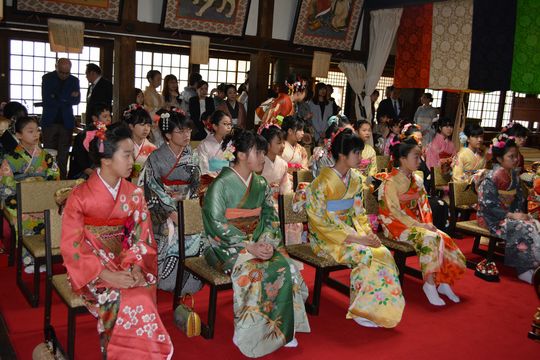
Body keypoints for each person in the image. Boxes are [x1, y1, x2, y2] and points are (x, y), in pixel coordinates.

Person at [61, 123, 173, 358]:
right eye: (126, 154)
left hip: (126, 262)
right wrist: (106, 274)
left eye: (133, 153)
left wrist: (134, 267)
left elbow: (143, 236)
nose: (133, 159)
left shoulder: (135, 193)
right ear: (106, 159)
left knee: (141, 290)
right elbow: (73, 246)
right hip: (92, 269)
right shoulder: (79, 197)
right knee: (128, 296)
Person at [202, 129, 310, 357]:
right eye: (258, 152)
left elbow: (270, 217)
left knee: (287, 267)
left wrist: (267, 241)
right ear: (240, 155)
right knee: (255, 271)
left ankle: (282, 326)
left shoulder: (260, 183)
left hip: (257, 241)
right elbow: (214, 223)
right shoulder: (219, 185)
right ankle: (248, 329)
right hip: (225, 247)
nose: (263, 157)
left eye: (263, 152)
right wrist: (247, 245)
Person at [306, 128, 405, 327]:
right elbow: (319, 221)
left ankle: (379, 309)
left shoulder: (357, 179)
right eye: (356, 153)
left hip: (352, 233)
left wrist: (368, 234)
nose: (361, 157)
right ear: (342, 155)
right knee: (366, 255)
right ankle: (361, 309)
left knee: (383, 253)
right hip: (327, 238)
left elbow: (359, 214)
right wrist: (357, 239)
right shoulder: (320, 183)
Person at [378, 138, 466, 306]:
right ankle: (430, 283)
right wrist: (420, 226)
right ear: (403, 159)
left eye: (420, 157)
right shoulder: (389, 182)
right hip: (395, 226)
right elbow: (392, 212)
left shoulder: (417, 180)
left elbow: (424, 206)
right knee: (429, 238)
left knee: (443, 237)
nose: (419, 161)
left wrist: (427, 224)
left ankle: (444, 281)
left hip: (416, 224)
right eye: (416, 157)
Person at [143, 109, 202, 293]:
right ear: (168, 134)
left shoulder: (192, 156)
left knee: (199, 234)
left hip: (186, 206)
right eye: (181, 131)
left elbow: (195, 185)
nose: (186, 135)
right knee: (168, 233)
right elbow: (152, 187)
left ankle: (191, 281)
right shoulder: (155, 157)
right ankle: (166, 280)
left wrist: (188, 208)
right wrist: (171, 211)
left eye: (188, 131)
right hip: (162, 210)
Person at [476, 133, 539, 284]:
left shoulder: (514, 175)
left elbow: (519, 199)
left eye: (516, 156)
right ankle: (523, 270)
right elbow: (488, 204)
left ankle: (535, 266)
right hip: (490, 218)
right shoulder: (490, 177)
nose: (516, 159)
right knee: (523, 228)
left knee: (535, 224)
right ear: (499, 159)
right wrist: (511, 215)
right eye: (511, 156)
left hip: (508, 215)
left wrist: (519, 214)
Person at [0, 116, 60, 271]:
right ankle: (29, 260)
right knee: (25, 217)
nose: (36, 134)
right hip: (20, 199)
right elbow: (6, 184)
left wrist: (45, 194)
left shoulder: (45, 156)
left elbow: (54, 177)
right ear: (19, 135)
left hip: (44, 198)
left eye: (37, 130)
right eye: (30, 131)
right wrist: (24, 196)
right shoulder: (10, 158)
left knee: (53, 214)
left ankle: (46, 257)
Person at [41, 58, 80, 179]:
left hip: (66, 122)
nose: (64, 75)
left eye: (67, 73)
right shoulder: (47, 78)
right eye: (61, 72)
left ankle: (62, 180)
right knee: (48, 154)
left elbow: (76, 100)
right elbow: (47, 99)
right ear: (56, 67)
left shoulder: (74, 80)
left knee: (63, 156)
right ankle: (48, 180)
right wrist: (67, 97)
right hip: (50, 121)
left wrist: (57, 97)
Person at [68, 104, 111, 180]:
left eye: (109, 116)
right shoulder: (85, 135)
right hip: (84, 173)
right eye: (105, 116)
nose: (108, 119)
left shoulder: (108, 132)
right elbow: (81, 163)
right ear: (95, 118)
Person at [195, 110, 232, 179]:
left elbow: (232, 163)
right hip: (211, 181)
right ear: (215, 126)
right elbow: (204, 169)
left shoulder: (229, 144)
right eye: (225, 124)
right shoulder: (204, 145)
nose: (229, 127)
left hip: (228, 179)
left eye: (229, 124)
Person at [123, 104, 156, 183]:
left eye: (148, 125)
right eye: (142, 125)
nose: (146, 129)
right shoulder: (123, 146)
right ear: (131, 126)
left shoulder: (152, 148)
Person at [143, 70, 165, 147]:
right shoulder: (146, 93)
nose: (160, 81)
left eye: (160, 79)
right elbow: (148, 108)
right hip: (153, 120)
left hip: (159, 119)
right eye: (158, 79)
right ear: (150, 79)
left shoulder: (158, 94)